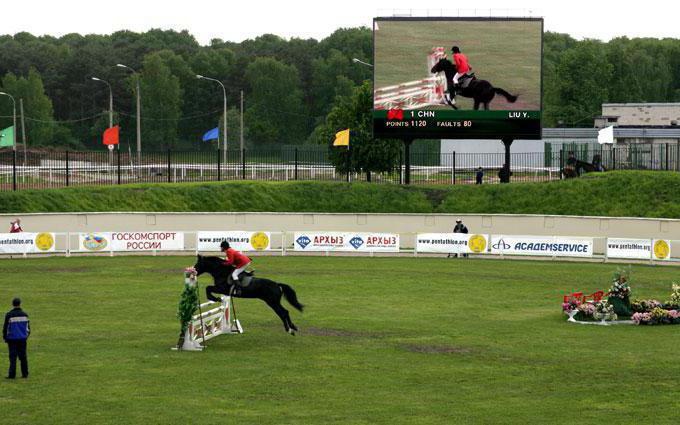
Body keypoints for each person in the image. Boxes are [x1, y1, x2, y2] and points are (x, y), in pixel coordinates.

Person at [3, 298, 30, 379]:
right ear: (20, 303)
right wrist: (25, 336)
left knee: (13, 357)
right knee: (23, 357)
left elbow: (6, 328)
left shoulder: (9, 315)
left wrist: (5, 337)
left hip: (12, 339)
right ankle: (25, 373)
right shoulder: (25, 315)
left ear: (12, 304)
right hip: (22, 339)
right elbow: (28, 328)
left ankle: (12, 375)